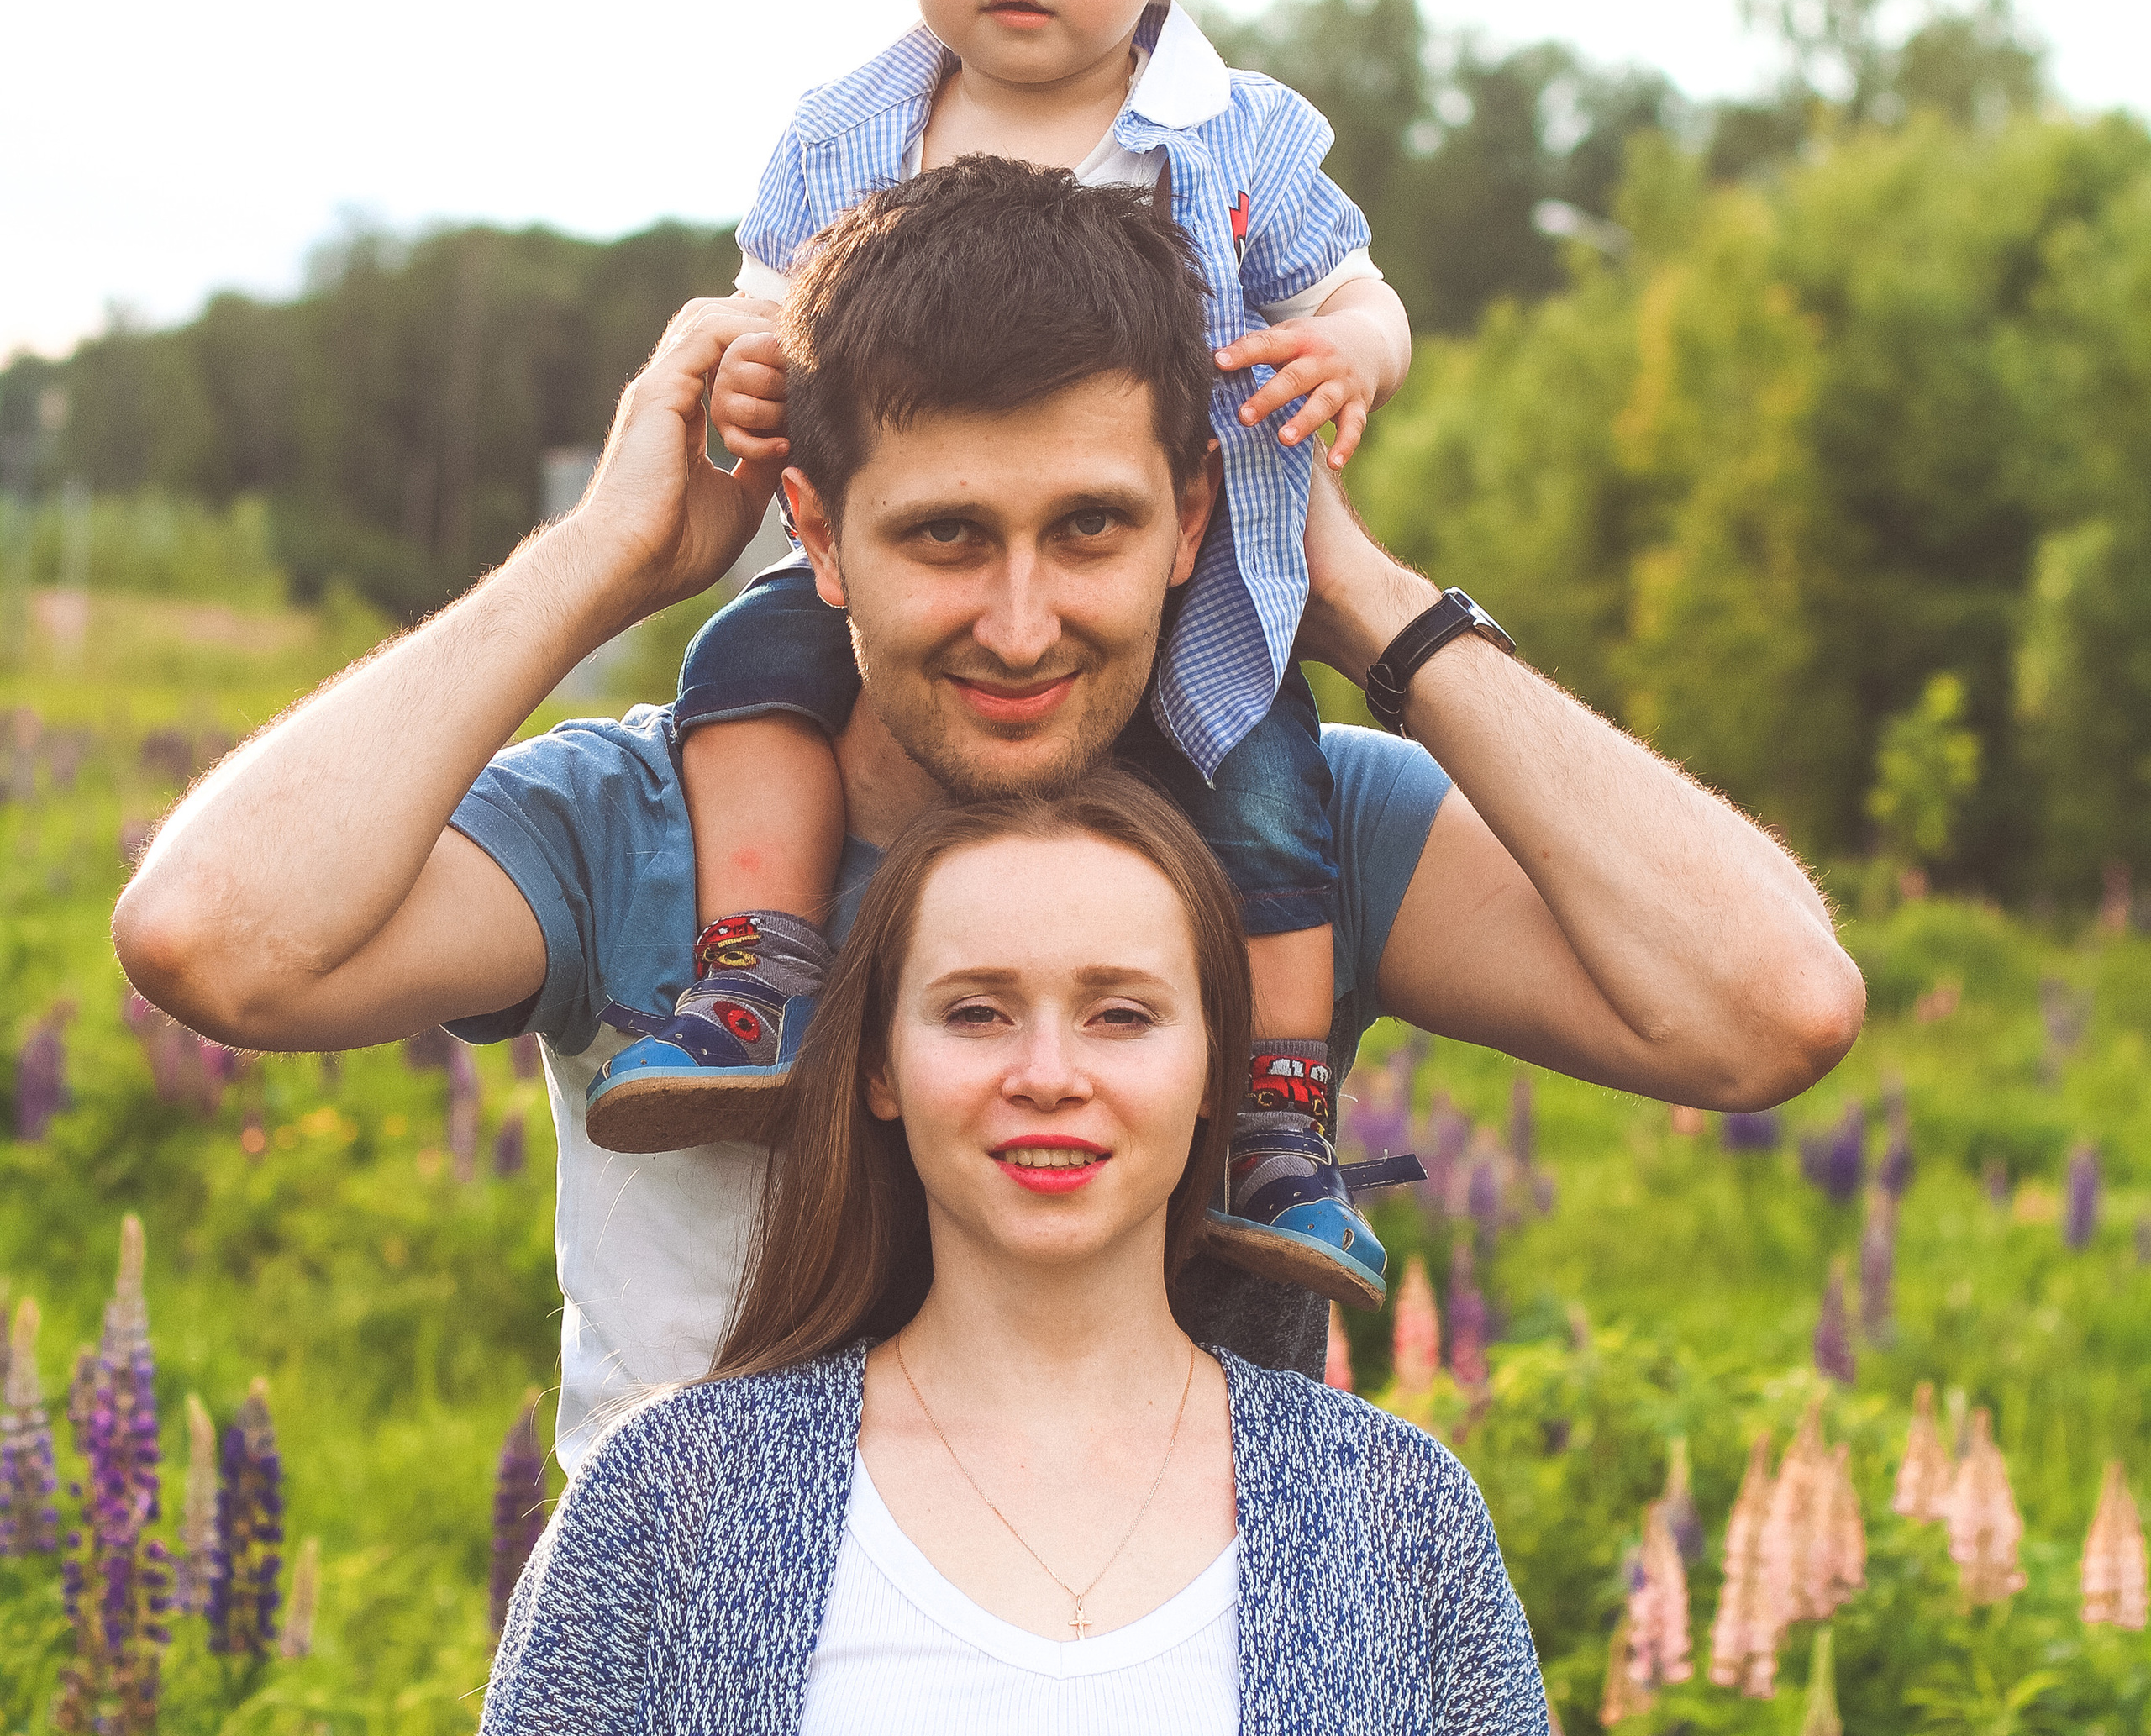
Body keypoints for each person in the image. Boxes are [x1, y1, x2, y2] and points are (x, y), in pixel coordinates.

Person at [112, 160, 1864, 1476]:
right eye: (947, 534)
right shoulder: (641, 815)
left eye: (1090, 530)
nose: (1021, 622)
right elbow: (218, 939)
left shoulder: (1287, 843)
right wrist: (603, 565)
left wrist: (1362, 603)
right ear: (813, 520)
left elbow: (1762, 1007)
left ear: (1190, 519)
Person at [618, 0, 1417, 1316]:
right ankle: (754, 974)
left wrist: (1350, 360)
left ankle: (1276, 1126)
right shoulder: (847, 130)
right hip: (883, 574)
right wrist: (759, 365)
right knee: (736, 672)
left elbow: (1360, 294)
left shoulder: (1230, 133)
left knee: (1272, 803)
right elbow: (769, 298)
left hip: (1183, 589)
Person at [475, 772, 1554, 1736]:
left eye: (1121, 1014)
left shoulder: (1400, 1520)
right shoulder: (666, 1503)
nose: (1047, 1075)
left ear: (1216, 1071)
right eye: (976, 1011)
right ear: (882, 1067)